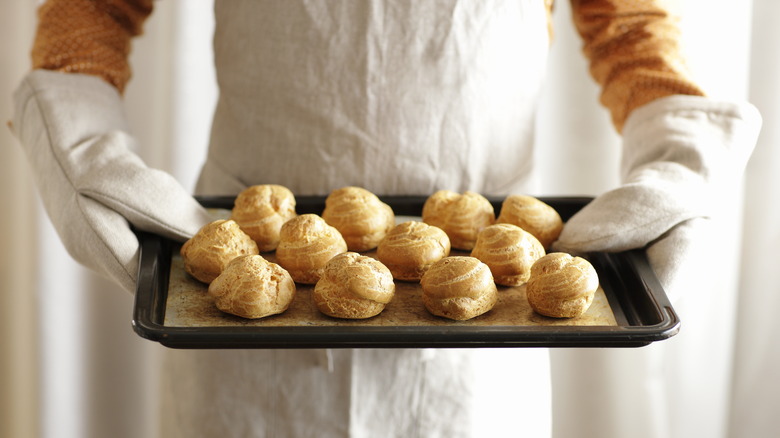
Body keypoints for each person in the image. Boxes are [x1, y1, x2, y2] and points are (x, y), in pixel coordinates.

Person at [11, 0, 761, 437]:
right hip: (244, 327)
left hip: (480, 329)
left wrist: (678, 146)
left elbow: (629, 27)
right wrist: (76, 133)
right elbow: (91, 9)